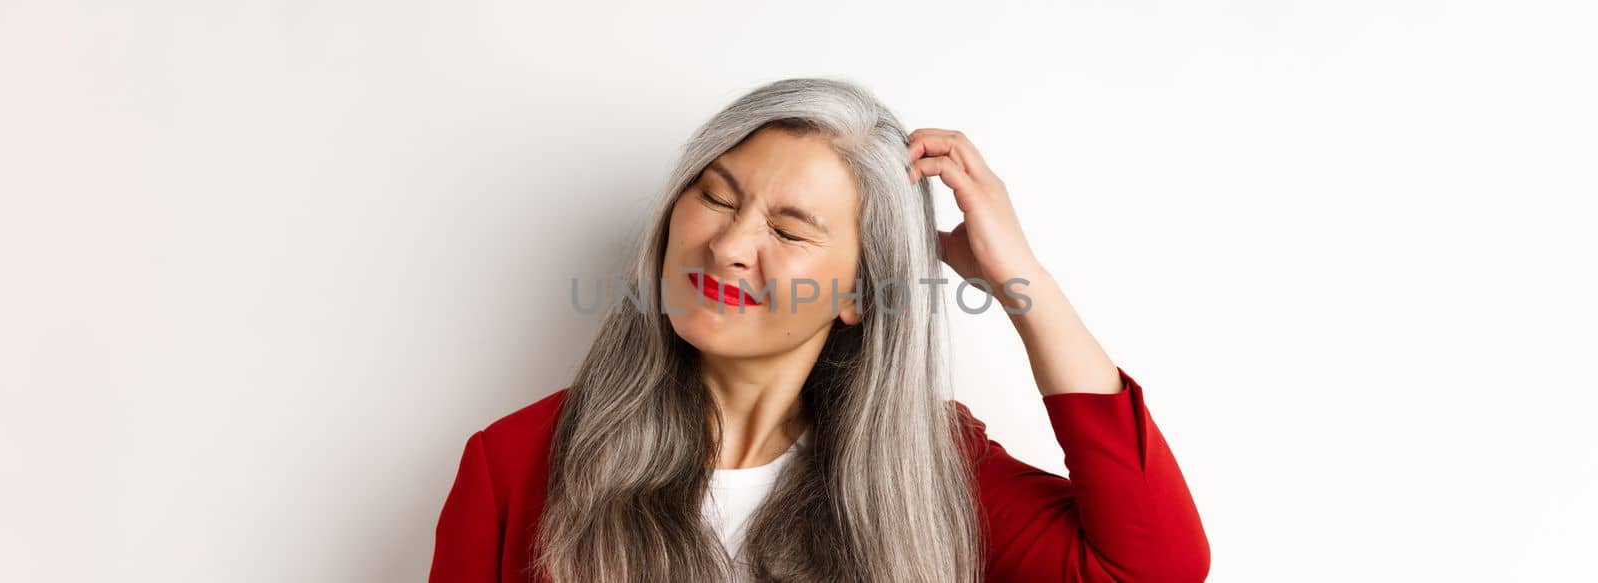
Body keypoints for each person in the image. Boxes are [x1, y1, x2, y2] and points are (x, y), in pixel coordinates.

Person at [428, 78, 1209, 582]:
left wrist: (1022, 282)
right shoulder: (517, 463)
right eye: (717, 196)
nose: (730, 246)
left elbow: (1153, 565)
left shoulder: (925, 473)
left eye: (790, 230)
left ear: (859, 295)